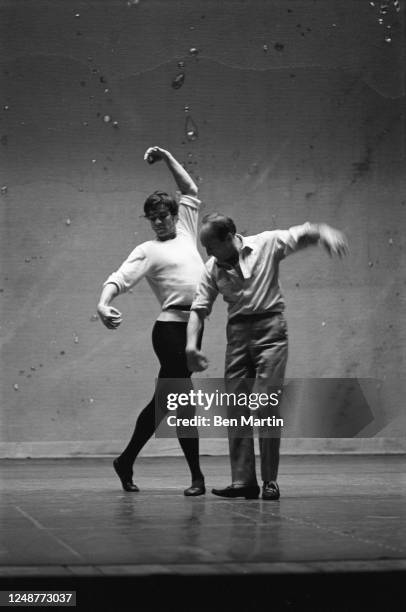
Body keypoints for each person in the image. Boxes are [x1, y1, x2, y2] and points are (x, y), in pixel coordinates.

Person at [186, 213, 348, 500]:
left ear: (229, 238)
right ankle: (243, 482)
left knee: (264, 406)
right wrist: (191, 346)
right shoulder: (213, 267)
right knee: (236, 409)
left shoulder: (266, 244)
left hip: (270, 331)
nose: (207, 253)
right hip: (237, 337)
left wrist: (326, 232)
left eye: (210, 246)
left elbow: (305, 232)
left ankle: (270, 481)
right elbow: (199, 309)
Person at [97, 146, 206, 496]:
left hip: (193, 329)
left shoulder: (188, 231)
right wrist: (103, 303)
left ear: (174, 215)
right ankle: (197, 478)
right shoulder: (147, 250)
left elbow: (189, 190)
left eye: (163, 216)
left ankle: (126, 460)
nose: (159, 223)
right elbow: (120, 276)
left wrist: (166, 156)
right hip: (170, 330)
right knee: (182, 401)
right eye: (153, 218)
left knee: (165, 403)